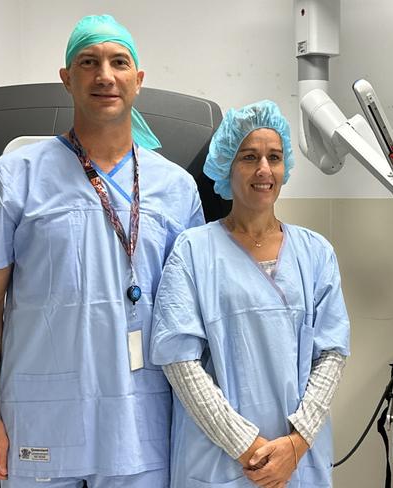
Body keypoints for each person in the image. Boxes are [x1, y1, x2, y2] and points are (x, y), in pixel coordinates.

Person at [0, 14, 204, 487]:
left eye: (119, 62)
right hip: (39, 415)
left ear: (138, 80)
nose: (105, 75)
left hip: (143, 419)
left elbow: (193, 313)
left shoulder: (177, 188)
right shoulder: (15, 177)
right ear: (67, 79)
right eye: (88, 62)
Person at [150, 100, 350, 487]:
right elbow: (180, 363)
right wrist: (247, 446)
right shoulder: (193, 251)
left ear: (285, 167)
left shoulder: (315, 252)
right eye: (249, 157)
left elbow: (332, 354)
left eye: (274, 157)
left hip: (298, 460)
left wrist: (296, 442)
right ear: (227, 165)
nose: (263, 169)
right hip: (220, 461)